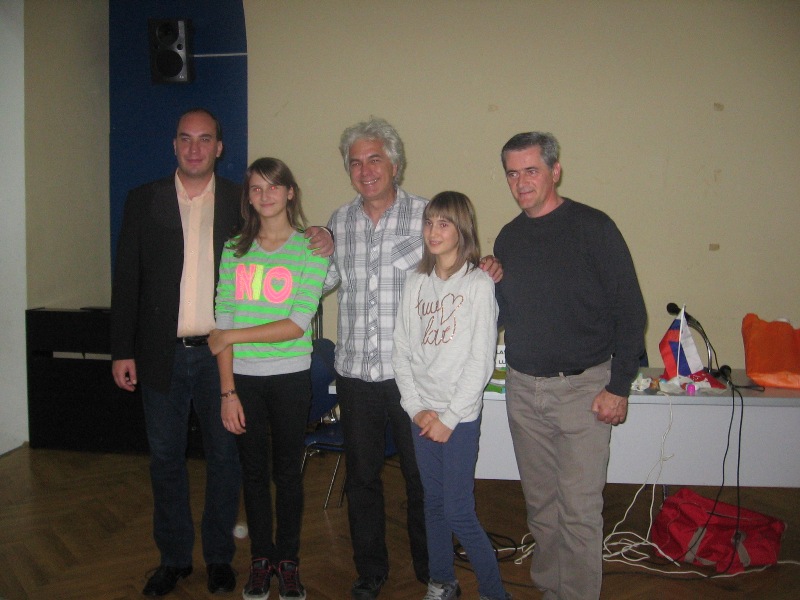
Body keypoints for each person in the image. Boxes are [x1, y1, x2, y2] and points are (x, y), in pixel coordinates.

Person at [110, 108, 333, 597]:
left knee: (226, 459)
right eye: (185, 138)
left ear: (219, 147)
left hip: (220, 354)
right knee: (165, 458)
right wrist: (121, 348)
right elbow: (127, 277)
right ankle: (173, 558)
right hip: (160, 353)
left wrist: (325, 234)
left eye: (205, 139)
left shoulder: (240, 198)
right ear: (174, 145)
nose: (195, 148)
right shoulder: (144, 199)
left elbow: (283, 235)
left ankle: (218, 557)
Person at [323, 118, 502, 600]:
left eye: (375, 159)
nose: (365, 170)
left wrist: (488, 265)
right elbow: (323, 283)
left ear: (395, 164)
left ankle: (432, 572)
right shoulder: (339, 222)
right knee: (362, 479)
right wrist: (306, 250)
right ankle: (370, 572)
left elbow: (461, 265)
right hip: (357, 372)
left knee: (423, 483)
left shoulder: (427, 215)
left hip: (413, 383)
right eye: (355, 163)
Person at [494, 132, 647, 600]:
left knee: (579, 512)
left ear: (555, 171)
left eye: (531, 170)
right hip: (524, 391)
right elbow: (502, 313)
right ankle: (550, 590)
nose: (521, 182)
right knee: (541, 509)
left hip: (585, 391)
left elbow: (630, 311)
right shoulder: (508, 238)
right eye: (512, 173)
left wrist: (618, 386)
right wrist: (480, 280)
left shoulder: (593, 227)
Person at [210, 157, 327, 600]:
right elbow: (222, 317)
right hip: (243, 380)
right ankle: (261, 560)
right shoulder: (233, 249)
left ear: (290, 192)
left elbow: (296, 324)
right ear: (248, 196)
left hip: (290, 378)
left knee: (288, 476)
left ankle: (289, 562)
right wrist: (227, 392)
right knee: (254, 475)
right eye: (256, 188)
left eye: (273, 186)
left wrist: (230, 336)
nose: (265, 195)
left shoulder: (311, 249)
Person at [392, 192, 511, 600]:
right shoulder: (415, 282)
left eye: (443, 223)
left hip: (458, 418)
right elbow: (401, 352)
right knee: (433, 503)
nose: (433, 231)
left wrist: (449, 417)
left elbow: (481, 362)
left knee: (458, 509)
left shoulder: (478, 285)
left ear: (462, 230)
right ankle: (441, 581)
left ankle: (494, 592)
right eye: (428, 222)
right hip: (423, 416)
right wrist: (416, 409)